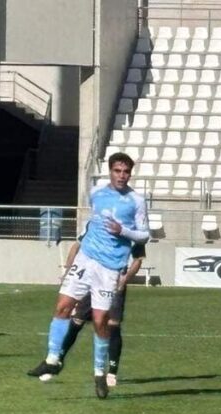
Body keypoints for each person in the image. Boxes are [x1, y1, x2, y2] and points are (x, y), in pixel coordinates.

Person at [27, 152, 149, 399]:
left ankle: (99, 373)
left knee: (101, 320)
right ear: (110, 171)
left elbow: (144, 235)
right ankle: (52, 359)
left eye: (126, 172)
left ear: (130, 173)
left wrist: (123, 230)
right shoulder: (96, 193)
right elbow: (93, 222)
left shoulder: (136, 200)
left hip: (109, 267)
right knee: (63, 306)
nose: (122, 176)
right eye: (117, 171)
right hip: (87, 259)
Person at [29, 235, 146, 386]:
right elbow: (76, 245)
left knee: (112, 324)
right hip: (92, 278)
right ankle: (56, 363)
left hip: (112, 281)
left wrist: (124, 279)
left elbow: (138, 260)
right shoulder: (96, 225)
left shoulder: (133, 231)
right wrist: (69, 271)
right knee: (76, 320)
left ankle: (111, 373)